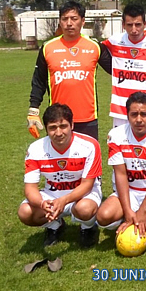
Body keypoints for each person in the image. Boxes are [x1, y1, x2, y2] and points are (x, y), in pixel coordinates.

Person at [96, 92, 146, 246]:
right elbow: (120, 174)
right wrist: (128, 211)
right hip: (131, 191)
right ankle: (129, 218)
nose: (139, 119)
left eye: (144, 114)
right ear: (127, 115)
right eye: (134, 114)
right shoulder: (116, 135)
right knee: (103, 217)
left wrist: (142, 211)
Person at [18, 103, 102, 247]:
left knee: (85, 209)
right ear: (46, 129)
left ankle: (88, 228)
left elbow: (87, 185)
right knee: (25, 212)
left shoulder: (89, 145)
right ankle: (55, 226)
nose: (58, 133)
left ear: (72, 125)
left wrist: (64, 200)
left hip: (83, 195)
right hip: (52, 195)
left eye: (63, 126)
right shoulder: (35, 149)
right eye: (52, 128)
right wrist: (42, 203)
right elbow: (30, 187)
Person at [28, 1, 112, 140]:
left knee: (87, 154)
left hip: (87, 119)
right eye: (65, 19)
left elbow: (117, 69)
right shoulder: (47, 47)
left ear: (82, 21)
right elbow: (39, 81)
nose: (69, 23)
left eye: (74, 19)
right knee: (57, 154)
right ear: (59, 21)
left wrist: (139, 41)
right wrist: (33, 109)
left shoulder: (94, 46)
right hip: (57, 119)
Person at [102, 4, 146, 127]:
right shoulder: (115, 41)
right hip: (120, 110)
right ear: (123, 25)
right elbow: (96, 49)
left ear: (145, 24)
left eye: (138, 25)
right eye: (129, 25)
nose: (134, 29)